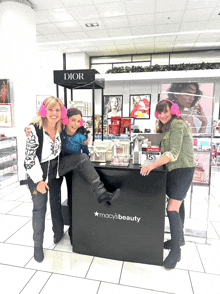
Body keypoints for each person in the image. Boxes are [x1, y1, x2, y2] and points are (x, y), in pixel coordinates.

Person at [140, 100, 195, 269]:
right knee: (178, 203)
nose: (162, 115)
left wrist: (151, 165)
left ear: (173, 111)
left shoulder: (178, 124)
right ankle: (180, 238)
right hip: (173, 169)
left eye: (165, 112)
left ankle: (176, 252)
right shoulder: (165, 125)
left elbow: (174, 153)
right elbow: (163, 147)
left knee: (172, 207)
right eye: (160, 112)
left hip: (183, 169)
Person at [58, 107, 121, 244]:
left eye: (78, 121)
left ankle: (74, 231)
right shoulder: (60, 134)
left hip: (75, 171)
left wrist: (88, 150)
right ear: (66, 119)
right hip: (62, 167)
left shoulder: (80, 136)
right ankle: (101, 192)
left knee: (74, 199)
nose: (75, 123)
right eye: (73, 120)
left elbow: (86, 153)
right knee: (71, 198)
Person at [24, 96, 66, 263]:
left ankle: (58, 233)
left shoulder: (60, 127)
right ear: (43, 111)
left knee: (55, 203)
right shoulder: (34, 129)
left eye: (57, 110)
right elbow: (29, 159)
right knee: (39, 209)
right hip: (37, 174)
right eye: (50, 109)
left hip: (54, 173)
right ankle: (37, 245)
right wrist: (38, 181)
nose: (54, 113)